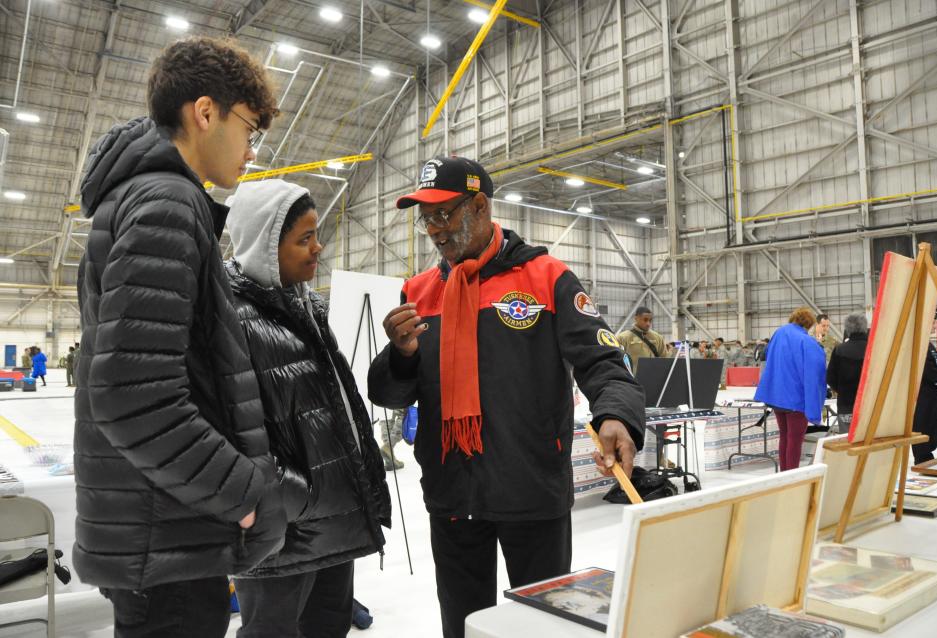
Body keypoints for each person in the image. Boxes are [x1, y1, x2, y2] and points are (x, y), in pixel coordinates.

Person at [368, 157, 645, 638]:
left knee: (541, 626)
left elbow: (603, 360)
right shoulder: (419, 291)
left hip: (531, 490)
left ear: (480, 205)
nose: (433, 229)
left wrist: (616, 414)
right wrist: (402, 354)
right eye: (425, 217)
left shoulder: (545, 277)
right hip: (453, 494)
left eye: (444, 214)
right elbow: (390, 394)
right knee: (462, 624)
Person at [73, 36, 287, 638]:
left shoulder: (147, 197)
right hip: (165, 536)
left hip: (162, 526)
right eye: (250, 128)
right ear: (204, 112)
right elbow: (131, 395)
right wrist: (245, 492)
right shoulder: (166, 201)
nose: (252, 149)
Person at [223, 180, 391, 638]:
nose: (318, 248)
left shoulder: (308, 306)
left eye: (316, 234)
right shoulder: (228, 316)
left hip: (331, 524)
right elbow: (229, 436)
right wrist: (299, 498)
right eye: (303, 239)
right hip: (281, 536)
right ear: (263, 246)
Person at [754, 308, 827, 470]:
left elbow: (766, 357)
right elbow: (815, 373)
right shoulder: (807, 341)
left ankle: (784, 473)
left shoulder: (778, 334)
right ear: (809, 324)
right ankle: (792, 476)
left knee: (784, 437)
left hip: (777, 397)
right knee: (795, 439)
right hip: (796, 399)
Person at [826, 313, 869, 433]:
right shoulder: (873, 349)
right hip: (870, 405)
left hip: (846, 405)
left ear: (847, 329)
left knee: (846, 440)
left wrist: (842, 390)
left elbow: (830, 377)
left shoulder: (839, 349)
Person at [912, 341, 937, 464]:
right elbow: (925, 367)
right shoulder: (919, 342)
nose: (934, 325)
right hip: (923, 392)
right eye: (933, 322)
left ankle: (928, 453)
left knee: (935, 423)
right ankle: (922, 457)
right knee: (923, 424)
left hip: (933, 392)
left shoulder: (929, 344)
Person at [617, 306, 667, 374]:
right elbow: (617, 360)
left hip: (653, 377)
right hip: (631, 380)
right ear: (636, 318)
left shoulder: (658, 338)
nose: (648, 324)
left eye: (650, 320)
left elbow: (665, 359)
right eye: (645, 320)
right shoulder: (623, 338)